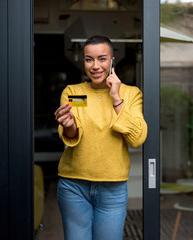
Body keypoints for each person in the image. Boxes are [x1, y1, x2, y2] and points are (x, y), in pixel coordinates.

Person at [54, 35, 147, 240]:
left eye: (102, 59)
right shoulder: (73, 92)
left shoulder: (131, 94)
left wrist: (116, 97)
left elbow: (137, 138)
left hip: (112, 188)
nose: (95, 66)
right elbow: (71, 134)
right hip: (73, 185)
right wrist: (69, 126)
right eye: (89, 59)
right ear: (84, 61)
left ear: (112, 61)